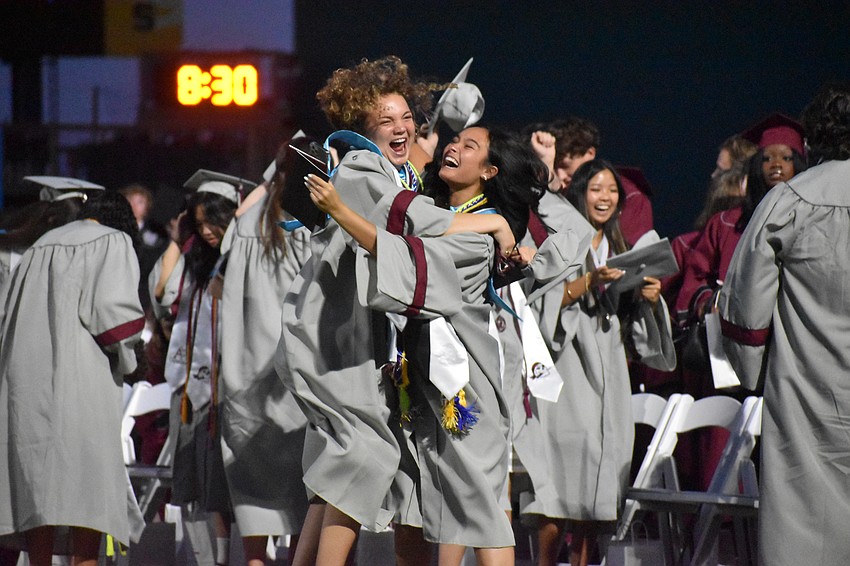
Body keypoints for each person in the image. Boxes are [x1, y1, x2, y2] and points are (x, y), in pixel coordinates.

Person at [275, 56, 517, 566]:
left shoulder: (394, 169)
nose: (402, 127)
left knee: (355, 465)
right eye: (386, 121)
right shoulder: (362, 167)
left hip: (357, 337)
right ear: (363, 126)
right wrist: (491, 224)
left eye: (407, 116)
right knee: (364, 455)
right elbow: (412, 225)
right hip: (335, 337)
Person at [719, 82, 850, 566]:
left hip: (806, 392)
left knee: (804, 528)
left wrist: (756, 374)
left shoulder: (788, 201)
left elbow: (744, 312)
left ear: (812, 142)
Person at [520, 159, 676, 566]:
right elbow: (536, 305)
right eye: (595, 189)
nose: (604, 198)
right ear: (580, 194)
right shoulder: (562, 242)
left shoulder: (622, 248)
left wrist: (647, 298)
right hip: (569, 370)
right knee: (558, 485)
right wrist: (589, 281)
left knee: (598, 484)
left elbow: (639, 333)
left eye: (611, 191)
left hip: (610, 372)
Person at [0, 192, 144, 566]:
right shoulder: (111, 240)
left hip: (26, 388)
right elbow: (116, 323)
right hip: (81, 386)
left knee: (37, 493)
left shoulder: (37, 248)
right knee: (88, 494)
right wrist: (133, 360)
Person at [218, 145, 312, 566]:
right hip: (290, 375)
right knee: (301, 498)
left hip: (241, 373)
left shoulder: (243, 225)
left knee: (255, 500)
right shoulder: (302, 223)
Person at [150, 170, 243, 566]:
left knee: (228, 479)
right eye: (199, 223)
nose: (206, 232)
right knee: (196, 478)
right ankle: (211, 559)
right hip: (193, 385)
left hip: (235, 385)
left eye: (213, 223)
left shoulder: (244, 258)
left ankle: (229, 556)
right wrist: (177, 239)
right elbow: (162, 292)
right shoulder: (193, 259)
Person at [548, 117, 654, 246]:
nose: (560, 175)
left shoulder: (631, 197)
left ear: (590, 153)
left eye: (565, 166)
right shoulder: (560, 192)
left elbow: (633, 257)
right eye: (554, 166)